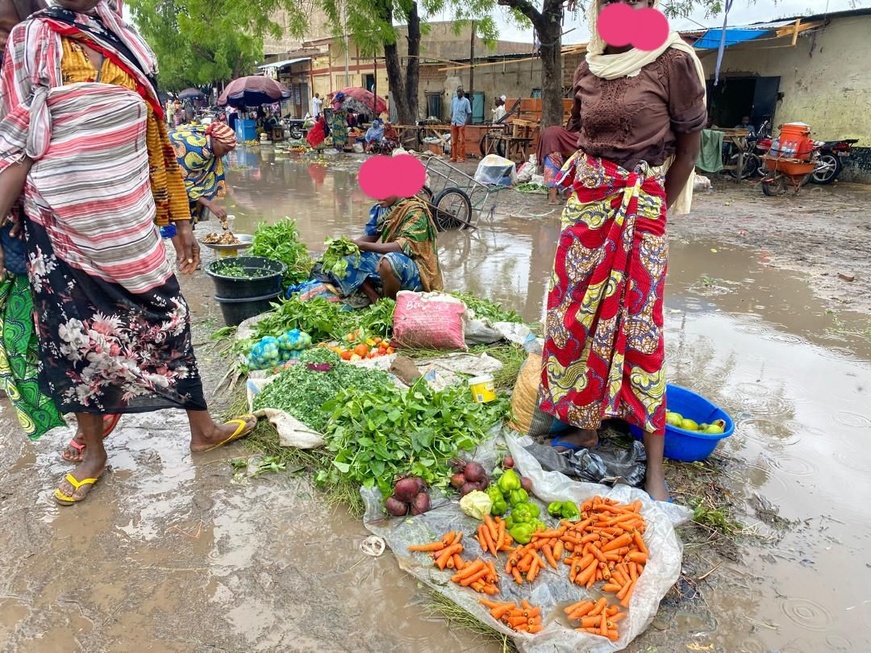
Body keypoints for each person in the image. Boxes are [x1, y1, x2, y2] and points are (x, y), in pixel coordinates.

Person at [0, 0, 257, 506]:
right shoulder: (30, 40)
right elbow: (14, 140)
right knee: (75, 345)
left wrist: (181, 220)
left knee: (170, 320)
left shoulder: (129, 47)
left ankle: (202, 432)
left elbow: (157, 141)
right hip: (61, 230)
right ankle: (94, 453)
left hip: (131, 226)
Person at [537, 0, 706, 502]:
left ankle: (654, 466)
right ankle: (586, 426)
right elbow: (584, 138)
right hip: (585, 212)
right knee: (573, 322)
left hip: (640, 211)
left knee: (640, 328)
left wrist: (650, 212)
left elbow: (689, 149)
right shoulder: (588, 64)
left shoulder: (673, 61)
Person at [329, 196, 443, 304]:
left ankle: (390, 303)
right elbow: (371, 236)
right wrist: (347, 246)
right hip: (395, 261)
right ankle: (376, 299)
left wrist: (362, 245)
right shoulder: (382, 208)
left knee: (388, 261)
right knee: (346, 259)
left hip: (418, 269)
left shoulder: (415, 211)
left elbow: (402, 247)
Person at [169, 122, 236, 224]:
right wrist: (209, 204)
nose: (225, 154)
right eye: (225, 150)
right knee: (180, 222)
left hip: (181, 176)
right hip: (167, 175)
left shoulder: (209, 144)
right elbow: (180, 184)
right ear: (216, 141)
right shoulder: (196, 150)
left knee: (188, 221)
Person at [537, 123, 581, 204]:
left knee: (558, 172)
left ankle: (560, 196)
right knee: (553, 171)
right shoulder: (576, 139)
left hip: (550, 143)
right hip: (553, 147)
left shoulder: (567, 135)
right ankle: (553, 199)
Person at [450, 87, 471, 163]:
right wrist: (451, 120)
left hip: (461, 124)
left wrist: (465, 124)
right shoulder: (454, 100)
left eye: (460, 91)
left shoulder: (466, 101)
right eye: (457, 91)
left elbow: (469, 113)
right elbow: (452, 112)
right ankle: (454, 157)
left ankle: (462, 158)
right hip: (454, 123)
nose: (458, 93)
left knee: (462, 141)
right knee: (454, 142)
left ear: (463, 92)